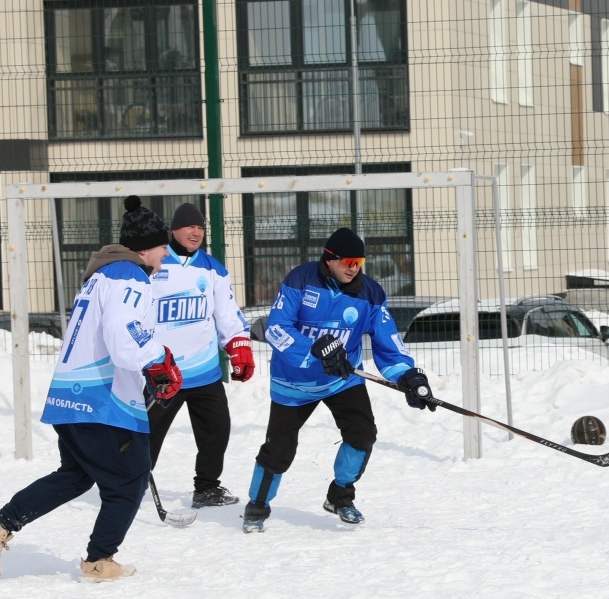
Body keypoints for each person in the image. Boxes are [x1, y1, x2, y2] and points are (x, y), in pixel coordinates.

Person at [0, 195, 182, 582]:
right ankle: (99, 561)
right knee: (130, 478)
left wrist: (147, 366)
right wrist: (158, 359)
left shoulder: (101, 276)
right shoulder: (130, 276)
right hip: (103, 401)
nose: (166, 254)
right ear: (145, 247)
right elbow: (122, 337)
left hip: (72, 396)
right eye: (163, 246)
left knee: (76, 475)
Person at [241, 227, 437, 533]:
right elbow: (276, 329)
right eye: (347, 261)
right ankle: (257, 505)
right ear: (329, 259)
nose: (353, 267)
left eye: (358, 261)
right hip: (294, 383)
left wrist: (408, 375)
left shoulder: (369, 294)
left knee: (362, 434)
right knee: (279, 450)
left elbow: (389, 344)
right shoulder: (301, 280)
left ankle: (340, 496)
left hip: (342, 380)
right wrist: (313, 350)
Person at [147, 202, 254, 508]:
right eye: (189, 227)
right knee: (147, 433)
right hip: (163, 371)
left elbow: (227, 314)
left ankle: (206, 487)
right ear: (174, 230)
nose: (195, 232)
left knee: (217, 430)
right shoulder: (154, 263)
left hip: (204, 370)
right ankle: (131, 482)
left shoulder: (212, 268)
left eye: (200, 227)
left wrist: (239, 346)